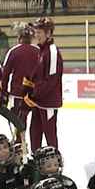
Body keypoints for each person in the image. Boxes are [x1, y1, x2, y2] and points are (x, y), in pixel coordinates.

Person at [0, 23, 39, 150]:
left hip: (18, 92)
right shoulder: (38, 51)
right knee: (35, 122)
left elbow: (5, 74)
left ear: (19, 37)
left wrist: (3, 92)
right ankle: (34, 146)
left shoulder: (14, 51)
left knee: (19, 119)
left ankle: (19, 142)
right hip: (36, 93)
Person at [25, 17, 62, 151]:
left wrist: (34, 95)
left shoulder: (52, 51)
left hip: (48, 103)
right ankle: (36, 161)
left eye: (39, 32)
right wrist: (28, 89)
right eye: (36, 31)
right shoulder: (42, 50)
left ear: (49, 33)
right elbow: (38, 77)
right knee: (34, 133)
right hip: (38, 102)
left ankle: (54, 163)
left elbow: (51, 80)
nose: (36, 35)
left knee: (50, 135)